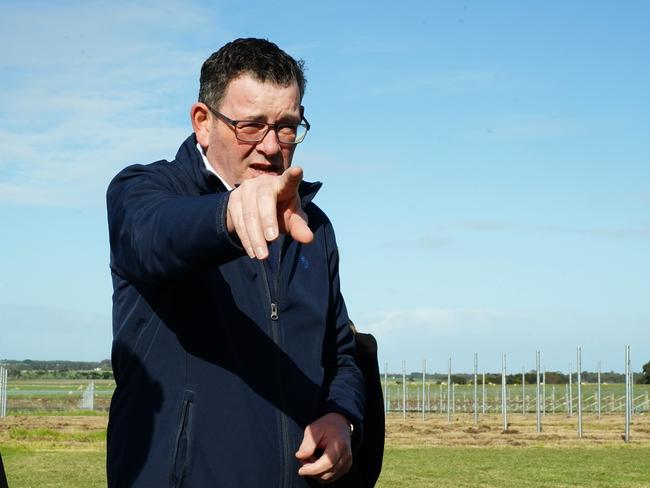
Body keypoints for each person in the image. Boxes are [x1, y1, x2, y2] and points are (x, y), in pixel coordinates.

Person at [106, 38, 365, 487]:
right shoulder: (144, 191)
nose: (271, 146)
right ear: (203, 123)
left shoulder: (313, 227)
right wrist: (229, 214)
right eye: (251, 126)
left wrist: (341, 415)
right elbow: (152, 235)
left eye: (287, 126)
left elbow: (340, 352)